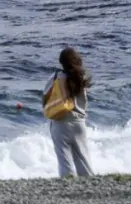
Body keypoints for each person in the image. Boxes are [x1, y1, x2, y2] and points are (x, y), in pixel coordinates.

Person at [42, 47, 94, 177]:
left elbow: (44, 98)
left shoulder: (56, 77)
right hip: (79, 122)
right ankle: (90, 187)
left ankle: (67, 187)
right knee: (84, 161)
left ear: (61, 63)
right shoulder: (83, 77)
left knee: (64, 161)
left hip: (60, 122)